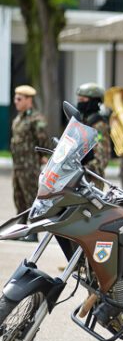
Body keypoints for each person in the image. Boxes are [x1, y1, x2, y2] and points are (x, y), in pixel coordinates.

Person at [11, 85, 50, 241]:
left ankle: (33, 232)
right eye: (15, 98)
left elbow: (43, 141)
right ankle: (19, 229)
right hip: (18, 166)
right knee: (19, 198)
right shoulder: (19, 118)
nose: (16, 102)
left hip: (30, 167)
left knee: (31, 199)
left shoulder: (36, 119)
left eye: (19, 99)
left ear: (29, 100)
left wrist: (43, 156)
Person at [76, 83, 111, 189]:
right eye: (79, 99)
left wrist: (84, 168)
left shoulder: (99, 125)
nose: (80, 102)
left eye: (83, 99)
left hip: (91, 181)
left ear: (94, 101)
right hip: (76, 178)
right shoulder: (81, 121)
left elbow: (102, 158)